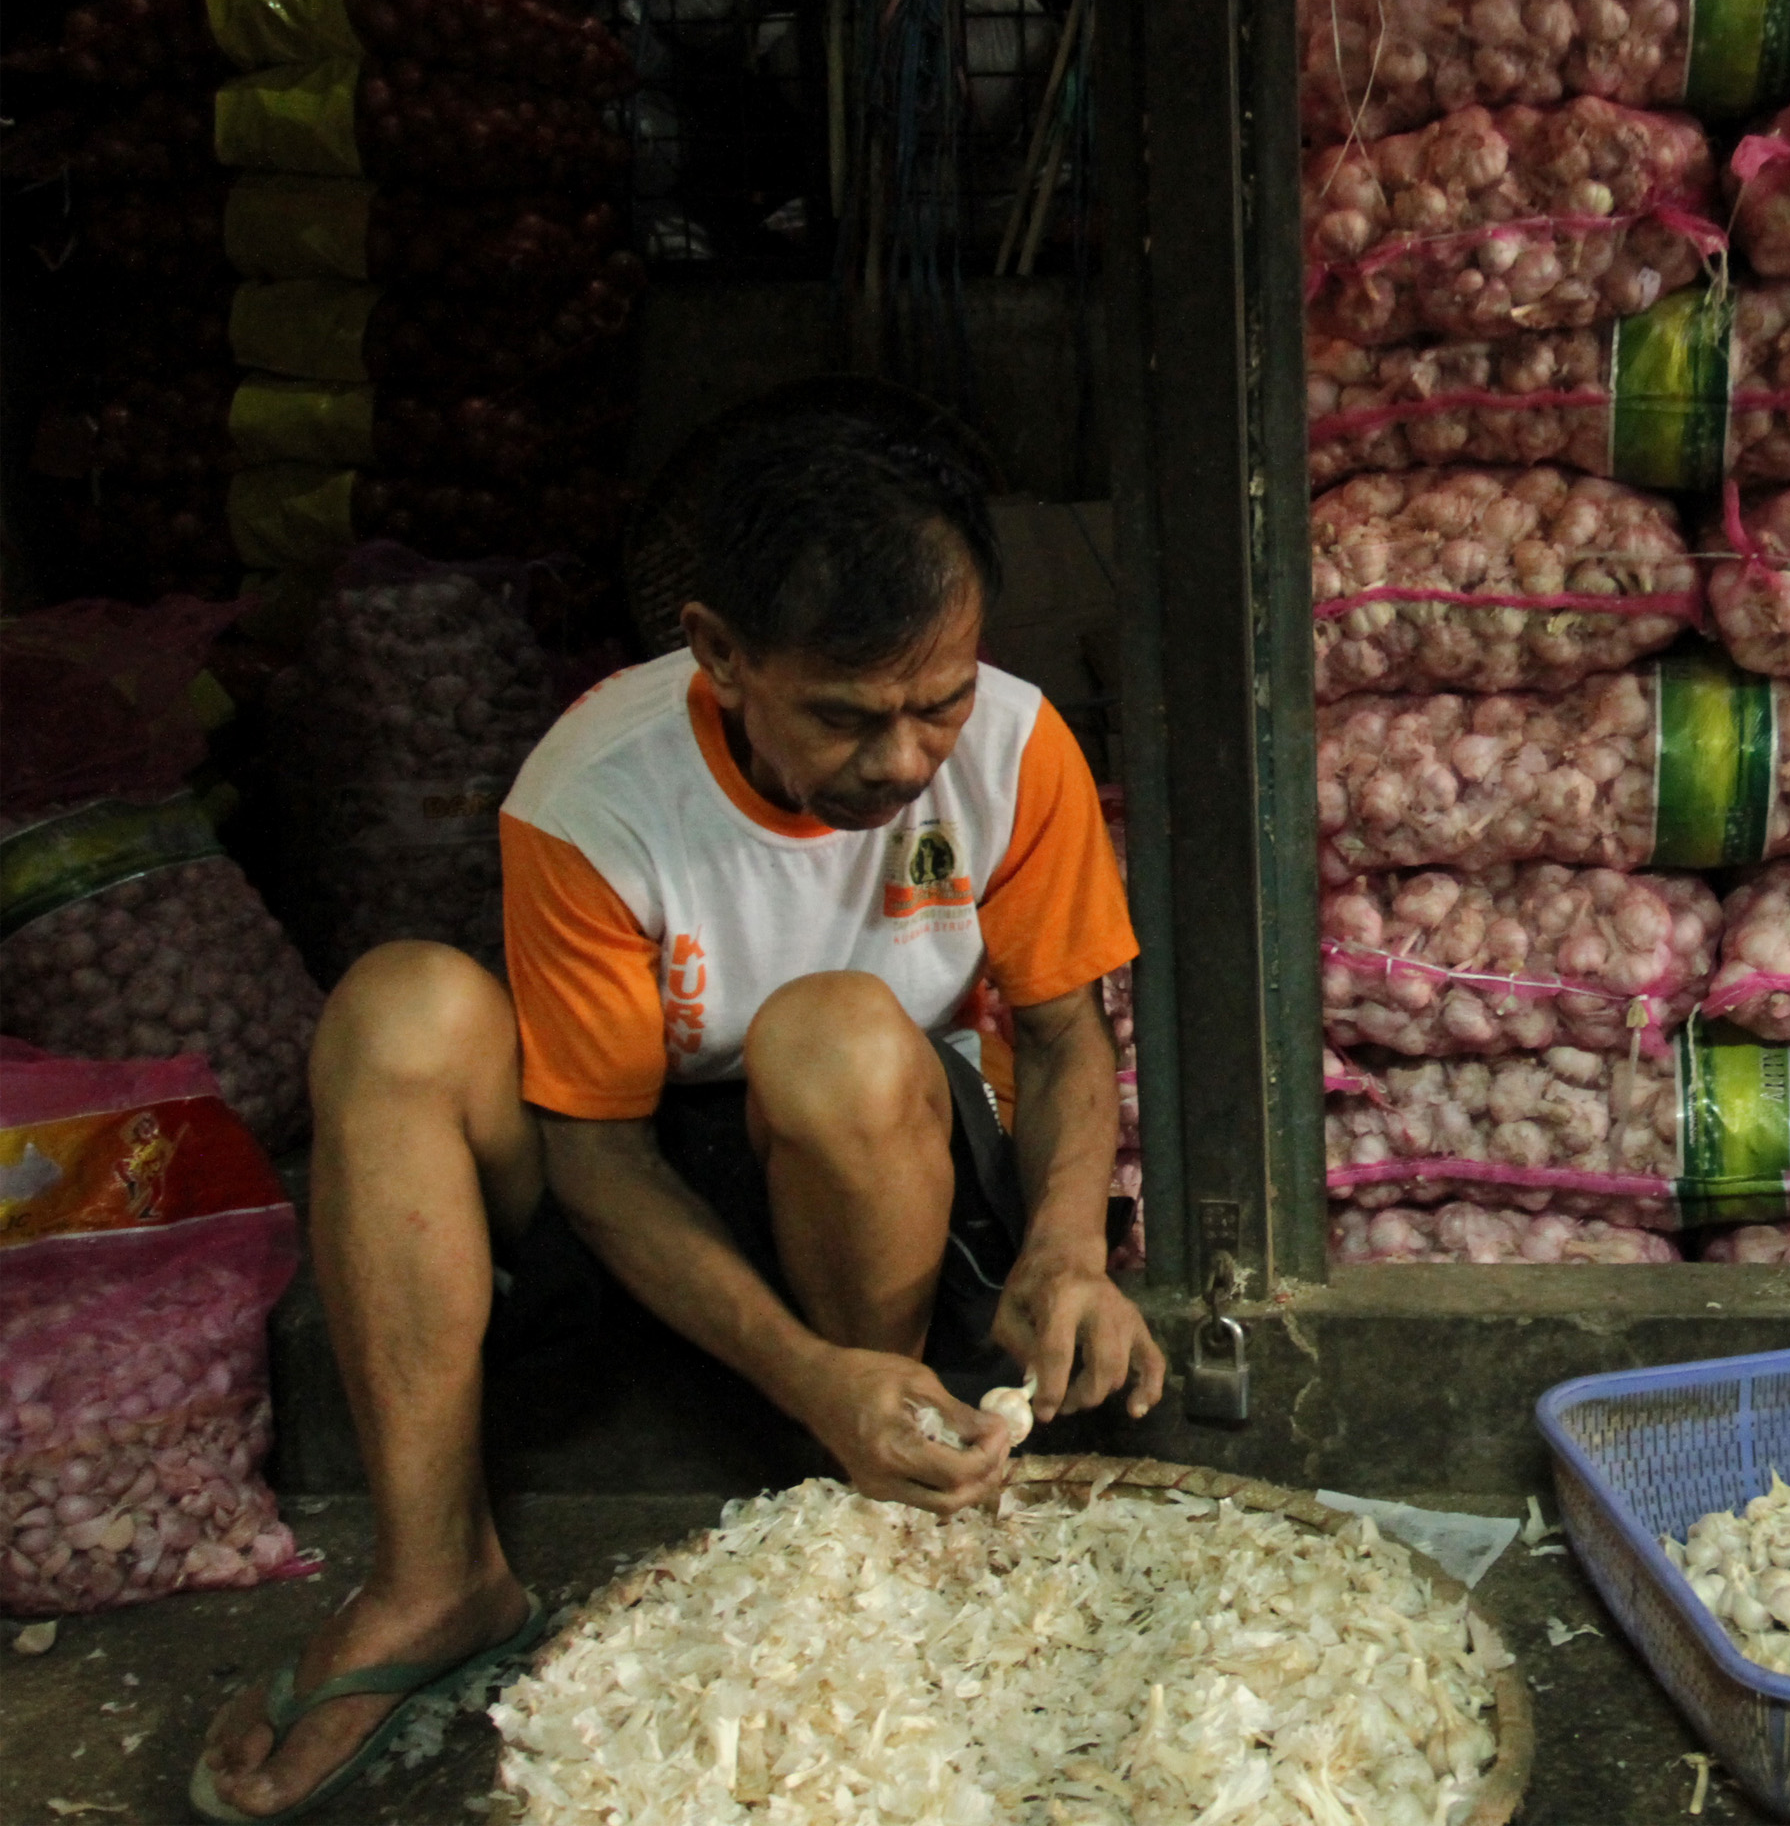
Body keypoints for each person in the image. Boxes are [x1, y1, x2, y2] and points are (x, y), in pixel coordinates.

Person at [193, 399, 1163, 1821]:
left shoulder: (1018, 746)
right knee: (397, 1010)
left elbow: (1071, 1037)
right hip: (647, 1176)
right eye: (846, 714)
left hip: (888, 1171)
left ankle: (882, 1490)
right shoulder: (595, 791)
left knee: (833, 1033)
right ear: (719, 655)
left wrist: (1067, 1253)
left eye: (937, 697)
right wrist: (796, 1371)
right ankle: (434, 1576)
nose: (904, 760)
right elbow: (593, 1150)